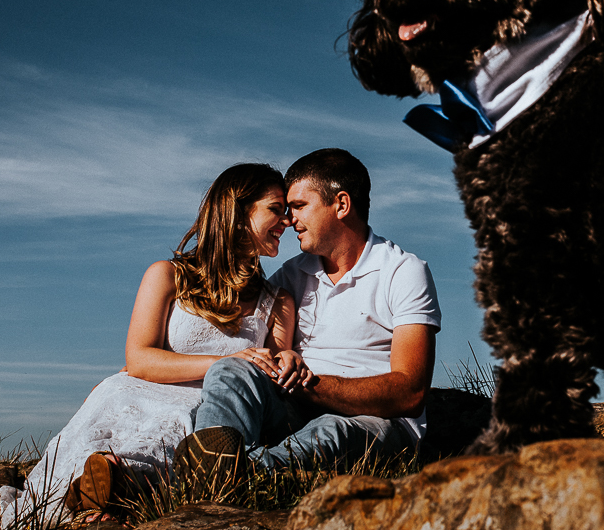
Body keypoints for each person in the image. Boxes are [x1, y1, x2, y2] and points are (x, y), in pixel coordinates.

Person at [0, 163, 309, 530]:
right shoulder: (166, 275)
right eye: (276, 209)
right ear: (238, 213)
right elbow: (139, 357)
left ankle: (114, 484)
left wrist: (287, 360)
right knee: (120, 419)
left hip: (209, 404)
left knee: (179, 428)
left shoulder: (279, 301)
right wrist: (225, 360)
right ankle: (96, 482)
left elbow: (266, 374)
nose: (287, 222)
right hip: (140, 389)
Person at [174, 148, 440, 487]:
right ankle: (219, 468)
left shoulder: (403, 272)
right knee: (230, 370)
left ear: (341, 205)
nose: (288, 220)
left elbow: (410, 392)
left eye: (299, 206)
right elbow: (247, 342)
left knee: (331, 431)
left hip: (375, 422)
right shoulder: (290, 275)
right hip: (294, 408)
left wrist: (308, 386)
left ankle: (225, 476)